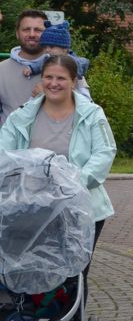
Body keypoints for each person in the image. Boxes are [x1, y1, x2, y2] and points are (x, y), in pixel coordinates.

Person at [0, 54, 117, 299]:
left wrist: (73, 184)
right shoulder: (22, 116)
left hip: (80, 207)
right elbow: (4, 152)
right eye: (49, 77)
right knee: (32, 265)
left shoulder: (92, 115)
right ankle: (33, 311)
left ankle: (69, 316)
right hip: (32, 207)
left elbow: (104, 153)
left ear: (74, 81)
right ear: (41, 80)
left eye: (61, 78)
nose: (54, 83)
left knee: (73, 271)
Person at [0, 9, 48, 127]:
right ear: (17, 33)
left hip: (51, 144)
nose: (32, 34)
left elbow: (85, 107)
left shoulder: (65, 67)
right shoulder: (1, 70)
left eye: (38, 30)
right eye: (26, 29)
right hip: (10, 144)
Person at [22, 21, 92, 99]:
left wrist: (77, 74)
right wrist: (31, 68)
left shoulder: (71, 61)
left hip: (75, 89)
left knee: (83, 96)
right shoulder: (49, 58)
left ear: (64, 49)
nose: (47, 50)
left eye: (51, 47)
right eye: (45, 47)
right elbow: (41, 63)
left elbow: (78, 67)